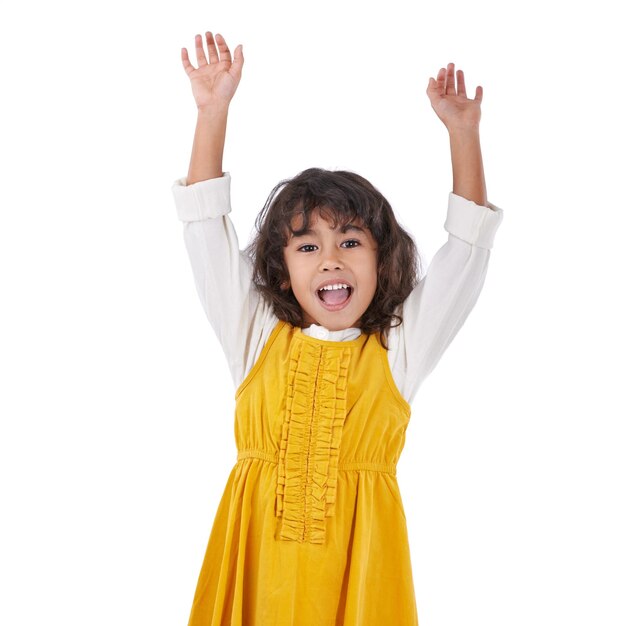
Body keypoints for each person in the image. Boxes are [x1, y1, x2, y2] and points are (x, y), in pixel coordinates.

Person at [171, 30, 503, 626]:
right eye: (307, 245)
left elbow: (466, 254)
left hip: (359, 579)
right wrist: (212, 112)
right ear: (280, 267)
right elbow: (204, 228)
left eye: (351, 241)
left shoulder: (397, 349)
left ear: (383, 261)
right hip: (256, 574)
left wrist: (463, 134)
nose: (331, 259)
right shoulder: (254, 335)